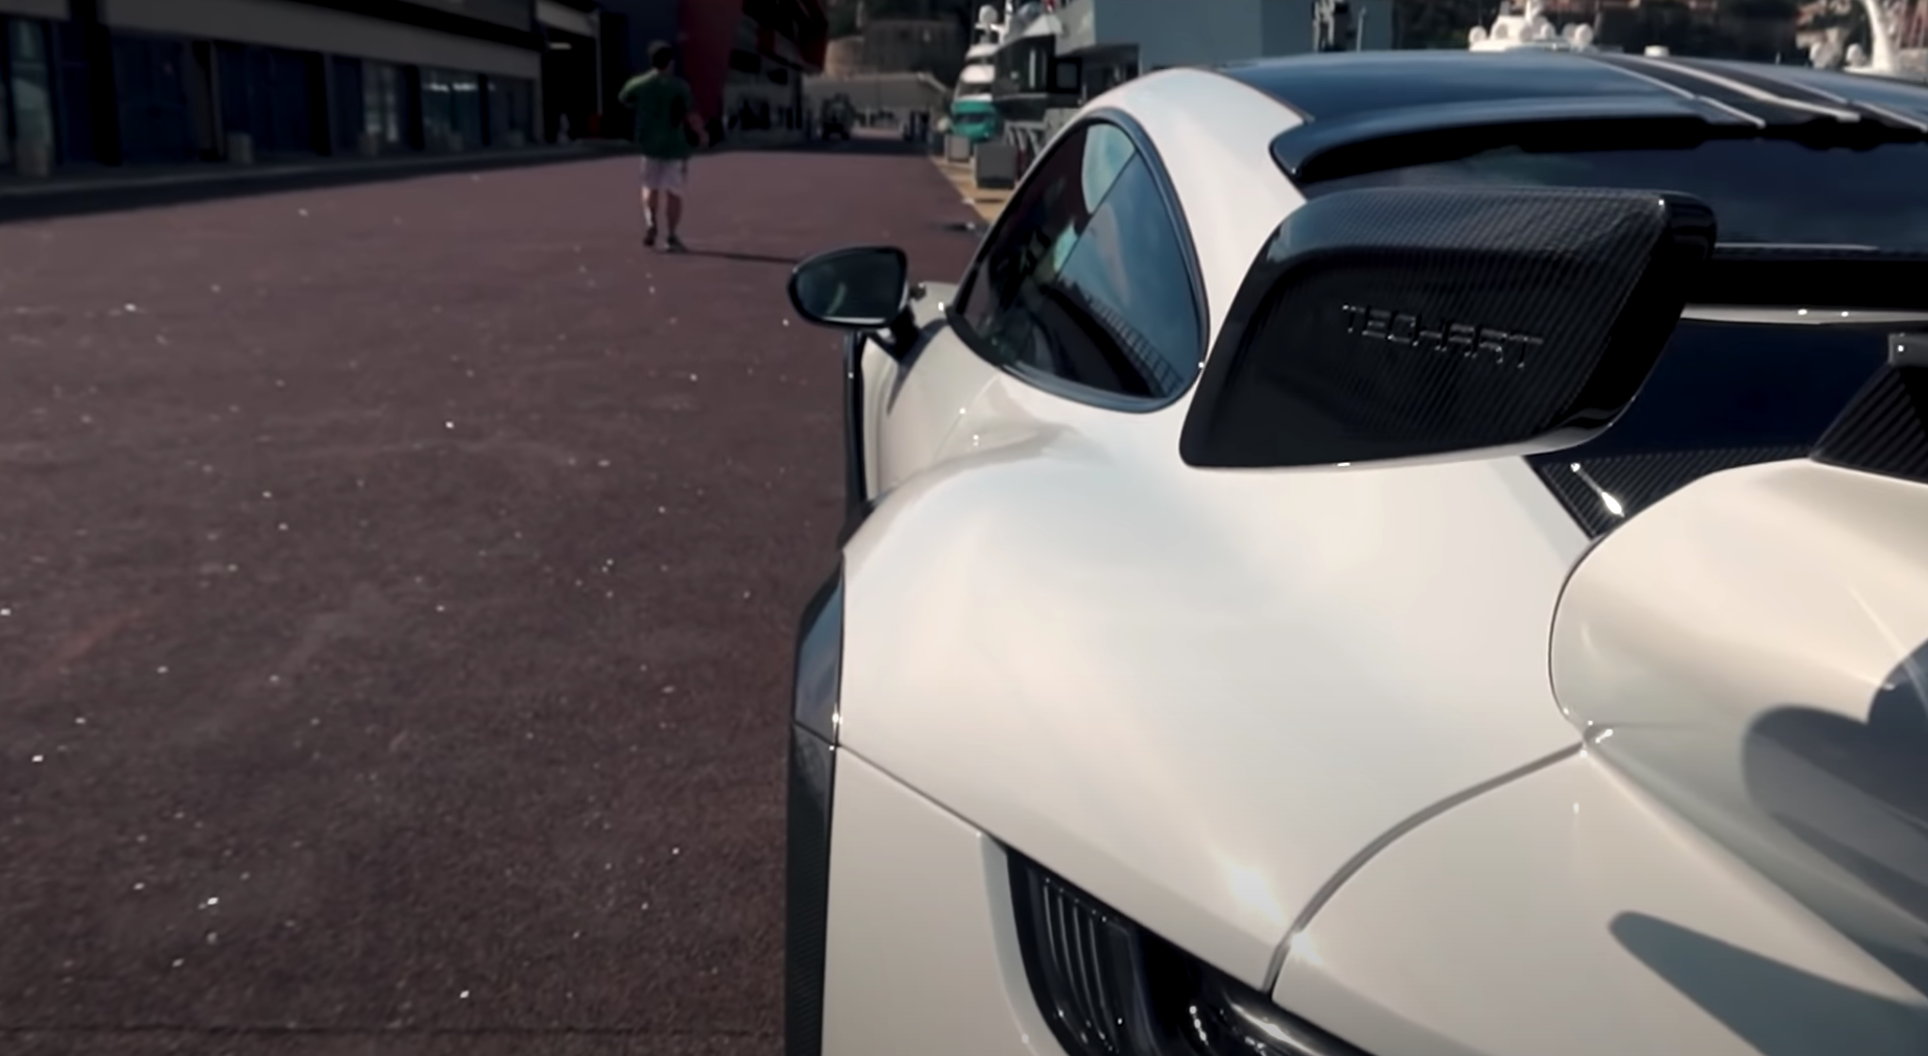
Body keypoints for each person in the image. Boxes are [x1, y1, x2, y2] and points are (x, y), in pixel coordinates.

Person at [617, 43, 707, 253]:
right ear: (671, 62)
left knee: (650, 187)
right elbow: (690, 114)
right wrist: (702, 134)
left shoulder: (639, 83)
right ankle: (671, 236)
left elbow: (624, 99)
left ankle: (651, 222)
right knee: (674, 192)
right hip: (675, 146)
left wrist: (641, 107)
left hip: (649, 144)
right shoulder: (680, 86)